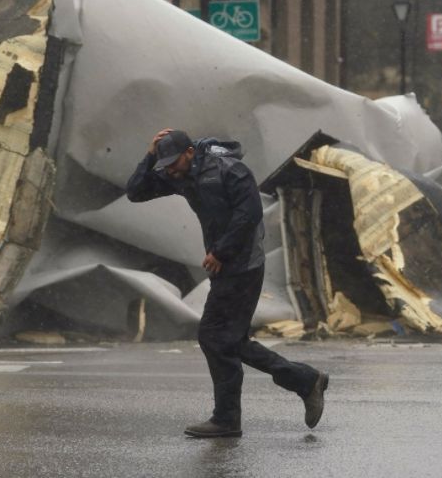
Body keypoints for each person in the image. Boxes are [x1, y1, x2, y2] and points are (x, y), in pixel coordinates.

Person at [126, 128, 329, 439]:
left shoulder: (229, 170)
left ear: (190, 152)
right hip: (225, 264)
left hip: (244, 263)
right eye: (165, 164)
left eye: (173, 162)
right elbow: (136, 192)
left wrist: (221, 251)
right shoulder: (179, 174)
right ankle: (294, 385)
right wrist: (151, 155)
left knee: (217, 337)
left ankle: (237, 413)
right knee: (225, 339)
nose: (170, 170)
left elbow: (249, 214)